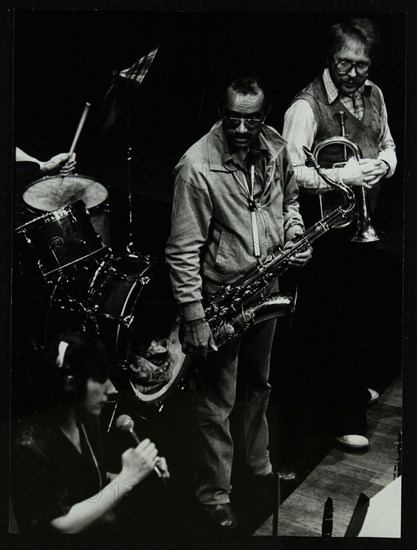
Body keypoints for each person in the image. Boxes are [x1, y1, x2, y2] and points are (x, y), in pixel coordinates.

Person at [165, 74, 312, 529]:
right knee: (216, 399)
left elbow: (289, 200)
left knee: (259, 386)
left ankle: (258, 466)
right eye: (234, 119)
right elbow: (182, 250)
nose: (243, 130)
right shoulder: (196, 166)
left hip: (265, 288)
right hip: (222, 298)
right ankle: (214, 494)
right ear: (221, 114)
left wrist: (293, 232)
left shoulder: (274, 147)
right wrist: (194, 318)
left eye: (251, 119)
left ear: (264, 116)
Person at [282, 17, 397, 450]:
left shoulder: (376, 94)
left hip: (361, 228)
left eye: (361, 65)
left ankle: (346, 391)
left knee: (357, 316)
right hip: (322, 231)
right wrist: (345, 174)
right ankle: (333, 414)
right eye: (344, 64)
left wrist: (384, 165)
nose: (353, 74)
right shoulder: (305, 107)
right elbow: (288, 173)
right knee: (327, 325)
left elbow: (388, 145)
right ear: (330, 59)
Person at [11, 332, 170, 533]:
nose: (111, 389)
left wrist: (141, 473)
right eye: (101, 379)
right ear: (70, 384)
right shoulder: (29, 446)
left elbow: (89, 482)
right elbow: (61, 526)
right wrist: (127, 478)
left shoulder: (87, 420)